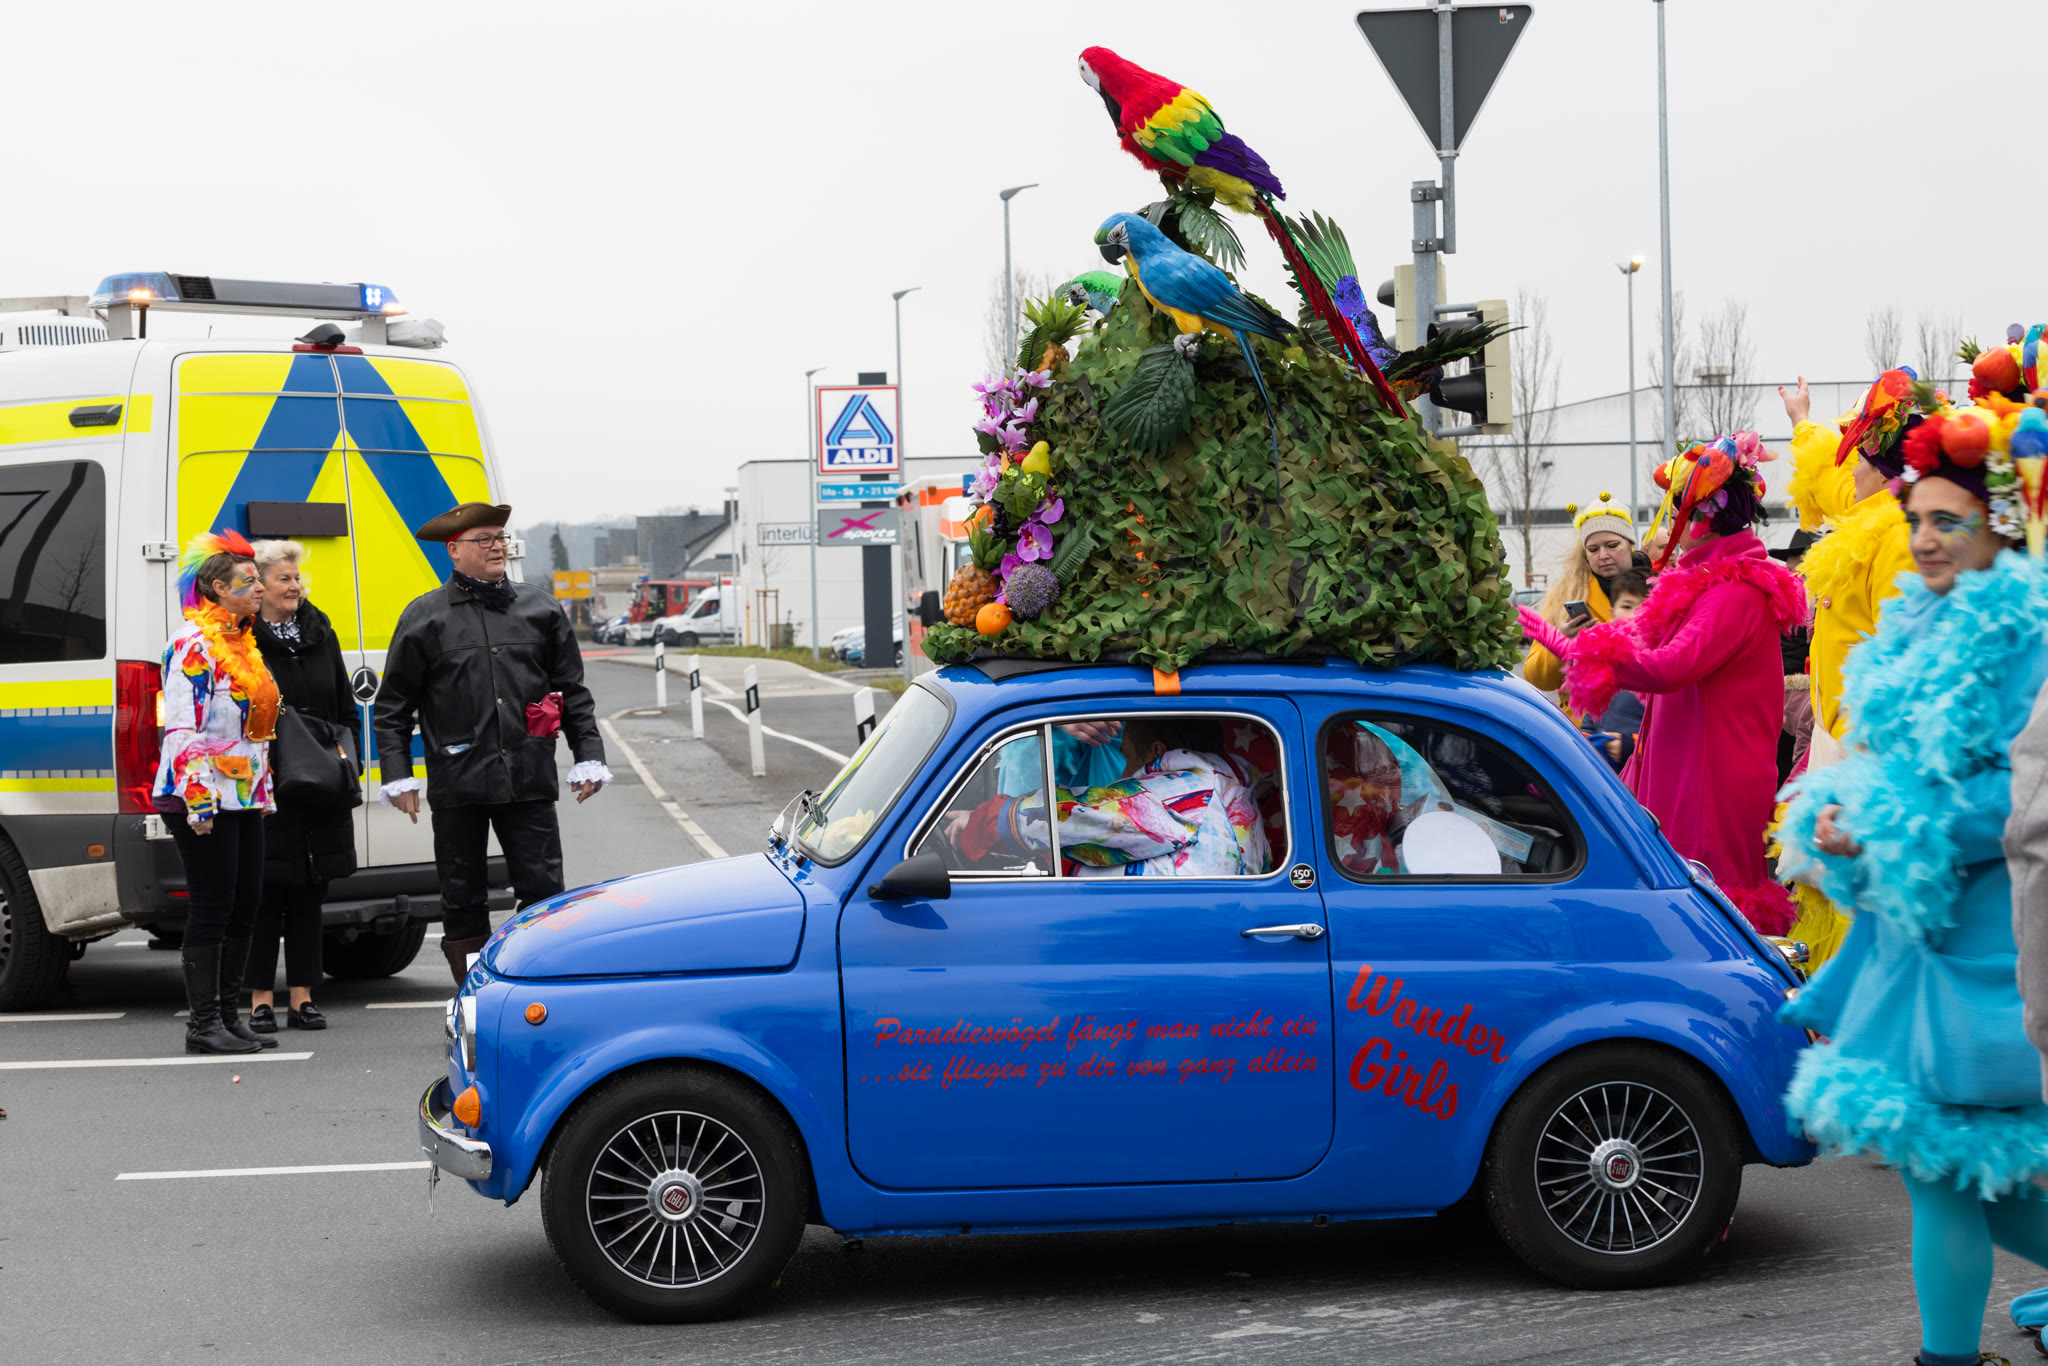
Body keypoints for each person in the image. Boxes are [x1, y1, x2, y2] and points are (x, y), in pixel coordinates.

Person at [1778, 401, 2048, 1366]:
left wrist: (1890, 824)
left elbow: (2021, 795)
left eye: (1948, 521)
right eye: (1917, 519)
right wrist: (1839, 819)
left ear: (2000, 525)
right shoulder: (1915, 621)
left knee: (1956, 1178)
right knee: (1959, 1178)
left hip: (1988, 942)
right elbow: (1891, 767)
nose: (1924, 538)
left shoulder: (2025, 634)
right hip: (1911, 939)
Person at [1521, 431, 1807, 934]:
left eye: (1675, 508)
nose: (1669, 520)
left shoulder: (1734, 591)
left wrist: (1579, 650)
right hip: (1684, 763)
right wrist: (1574, 645)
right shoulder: (1704, 585)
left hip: (1711, 775)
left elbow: (1669, 667)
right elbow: (1644, 645)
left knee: (1708, 904)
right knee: (1678, 894)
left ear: (1699, 519)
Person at [373, 503, 611, 985]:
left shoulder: (541, 608)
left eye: (500, 537)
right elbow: (393, 706)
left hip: (528, 775)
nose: (497, 546)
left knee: (544, 892)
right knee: (462, 897)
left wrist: (588, 755)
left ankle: (540, 989)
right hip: (458, 779)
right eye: (483, 539)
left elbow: (571, 692)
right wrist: (398, 774)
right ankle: (474, 995)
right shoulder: (424, 617)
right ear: (454, 550)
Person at [1776, 372, 1918, 965]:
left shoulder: (1900, 536)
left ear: (1881, 471)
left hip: (1870, 749)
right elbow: (1833, 480)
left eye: (1857, 457)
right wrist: (1801, 422)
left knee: (1859, 907)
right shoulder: (1872, 518)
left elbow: (1905, 658)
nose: (1848, 471)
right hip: (1841, 742)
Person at [155, 531, 281, 1055]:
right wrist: (200, 800)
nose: (259, 588)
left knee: (246, 902)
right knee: (213, 904)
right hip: (200, 796)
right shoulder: (192, 643)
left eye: (258, 580)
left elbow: (256, 731)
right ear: (217, 589)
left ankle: (230, 1016)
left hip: (243, 794)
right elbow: (183, 728)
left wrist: (261, 792)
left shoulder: (244, 644)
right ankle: (203, 1025)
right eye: (247, 582)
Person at [246, 540, 359, 1032]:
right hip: (268, 782)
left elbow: (344, 705)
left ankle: (302, 998)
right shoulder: (244, 638)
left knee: (311, 892)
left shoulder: (319, 631)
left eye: (298, 579)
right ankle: (259, 1000)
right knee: (265, 892)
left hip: (321, 779)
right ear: (260, 586)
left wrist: (347, 760)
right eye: (285, 579)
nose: (295, 587)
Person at [956, 717, 1269, 878]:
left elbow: (1073, 817)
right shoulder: (1230, 787)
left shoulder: (1185, 793)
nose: (1123, 774)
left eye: (1128, 757)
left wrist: (979, 823)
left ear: (1157, 751)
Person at [1521, 492, 1637, 692]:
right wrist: (1561, 642)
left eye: (1612, 545)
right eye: (1593, 549)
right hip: (1585, 710)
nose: (1603, 555)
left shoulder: (1658, 587)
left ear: (1630, 545)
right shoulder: (1566, 594)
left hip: (1645, 709)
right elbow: (1535, 678)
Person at [1579, 570, 1647, 773]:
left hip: (1639, 774)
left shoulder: (1662, 665)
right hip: (1605, 773)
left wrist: (1631, 746)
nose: (1635, 615)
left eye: (1644, 607)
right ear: (1612, 613)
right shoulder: (1604, 661)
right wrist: (1585, 741)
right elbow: (1591, 719)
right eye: (1627, 606)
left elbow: (1670, 736)